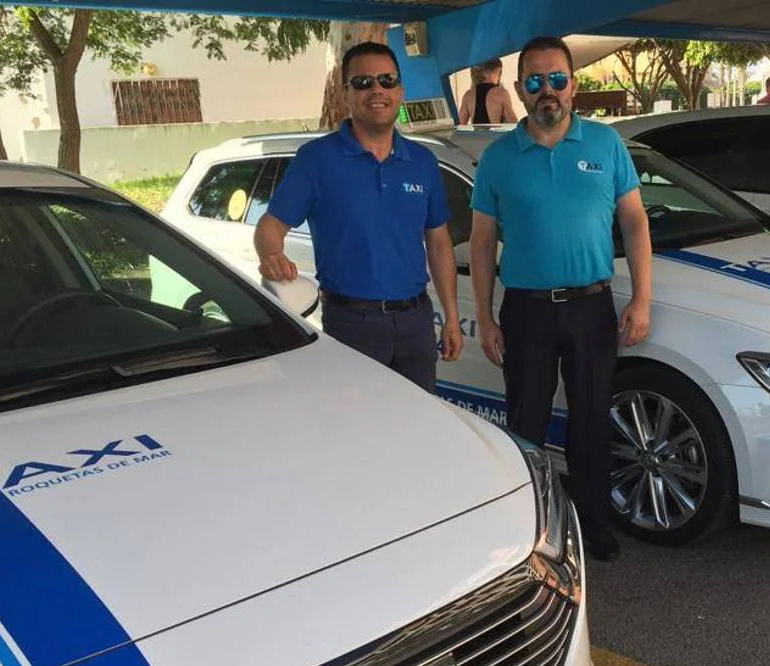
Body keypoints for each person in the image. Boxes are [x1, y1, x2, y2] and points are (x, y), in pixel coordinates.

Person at [469, 36, 653, 562]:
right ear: (520, 90)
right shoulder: (499, 158)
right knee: (525, 422)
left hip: (591, 308)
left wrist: (642, 299)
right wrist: (484, 317)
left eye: (556, 79)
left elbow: (635, 223)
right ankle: (532, 525)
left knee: (592, 420)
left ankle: (593, 520)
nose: (546, 90)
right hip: (525, 311)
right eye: (534, 81)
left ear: (573, 84)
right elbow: (482, 244)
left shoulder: (605, 145)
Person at [254, 42, 463, 393]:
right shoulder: (317, 160)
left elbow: (439, 244)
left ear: (400, 90)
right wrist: (271, 254)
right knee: (359, 429)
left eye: (386, 80)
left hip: (416, 322)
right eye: (363, 82)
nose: (377, 90)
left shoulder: (423, 161)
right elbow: (270, 226)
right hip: (353, 324)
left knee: (420, 426)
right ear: (346, 93)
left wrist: (452, 318)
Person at [460, 59, 517, 125]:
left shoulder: (469, 95)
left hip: (477, 135)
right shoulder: (502, 94)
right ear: (499, 71)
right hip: (497, 135)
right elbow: (513, 124)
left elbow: (460, 125)